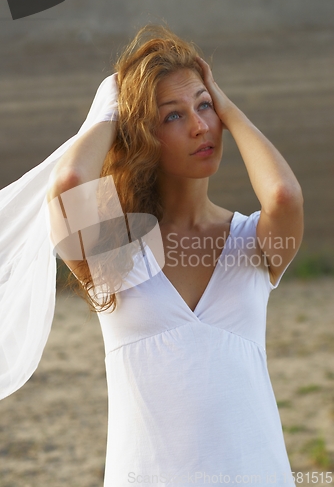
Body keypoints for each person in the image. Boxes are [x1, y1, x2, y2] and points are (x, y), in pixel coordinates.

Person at [0, 25, 303, 486]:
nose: (201, 125)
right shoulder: (114, 252)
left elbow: (283, 194)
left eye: (204, 107)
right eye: (173, 116)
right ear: (142, 134)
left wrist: (226, 103)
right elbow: (66, 189)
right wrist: (109, 112)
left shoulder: (251, 243)